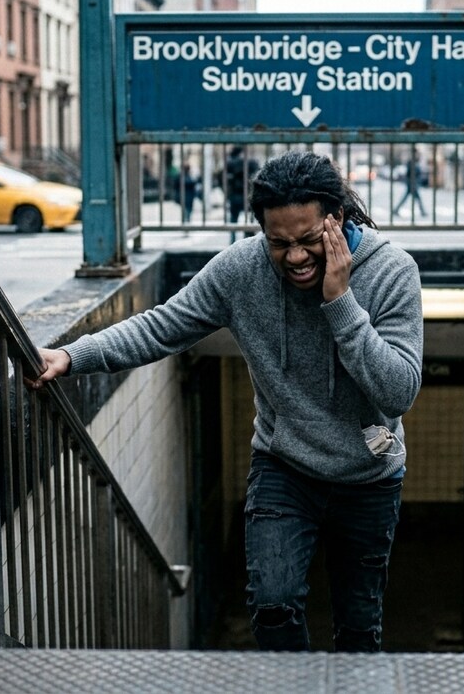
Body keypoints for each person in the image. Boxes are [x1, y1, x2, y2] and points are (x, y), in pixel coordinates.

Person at [30, 151, 423, 652]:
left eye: (307, 241)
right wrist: (72, 355)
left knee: (359, 624)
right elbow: (164, 326)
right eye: (280, 244)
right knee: (273, 604)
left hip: (369, 476)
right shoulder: (242, 270)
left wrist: (340, 302)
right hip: (286, 466)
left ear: (336, 219)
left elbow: (399, 390)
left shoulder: (392, 271)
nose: (297, 257)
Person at [225, 145, 260, 224]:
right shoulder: (251, 162)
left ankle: (233, 235)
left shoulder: (230, 163)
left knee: (234, 217)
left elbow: (225, 177)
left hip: (234, 193)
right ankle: (248, 232)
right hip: (248, 193)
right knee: (249, 217)